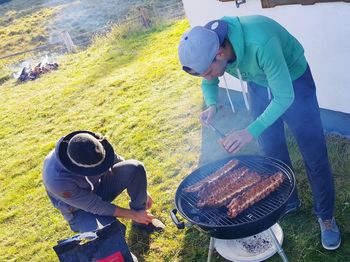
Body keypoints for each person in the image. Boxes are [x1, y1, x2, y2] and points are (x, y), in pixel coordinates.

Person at [178, 15, 340, 250]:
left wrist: (250, 131)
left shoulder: (261, 43)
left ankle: (326, 216)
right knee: (272, 148)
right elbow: (209, 79)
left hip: (293, 79)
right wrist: (212, 103)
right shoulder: (209, 42)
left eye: (209, 71)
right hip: (258, 79)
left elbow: (285, 97)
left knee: (313, 153)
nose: (209, 77)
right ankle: (289, 200)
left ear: (220, 54)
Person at [42, 130, 165, 235]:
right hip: (79, 210)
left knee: (135, 167)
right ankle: (135, 219)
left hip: (100, 187)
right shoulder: (57, 179)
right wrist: (131, 214)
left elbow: (118, 162)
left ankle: (142, 219)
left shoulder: (90, 142)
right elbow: (93, 205)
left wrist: (142, 190)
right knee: (111, 233)